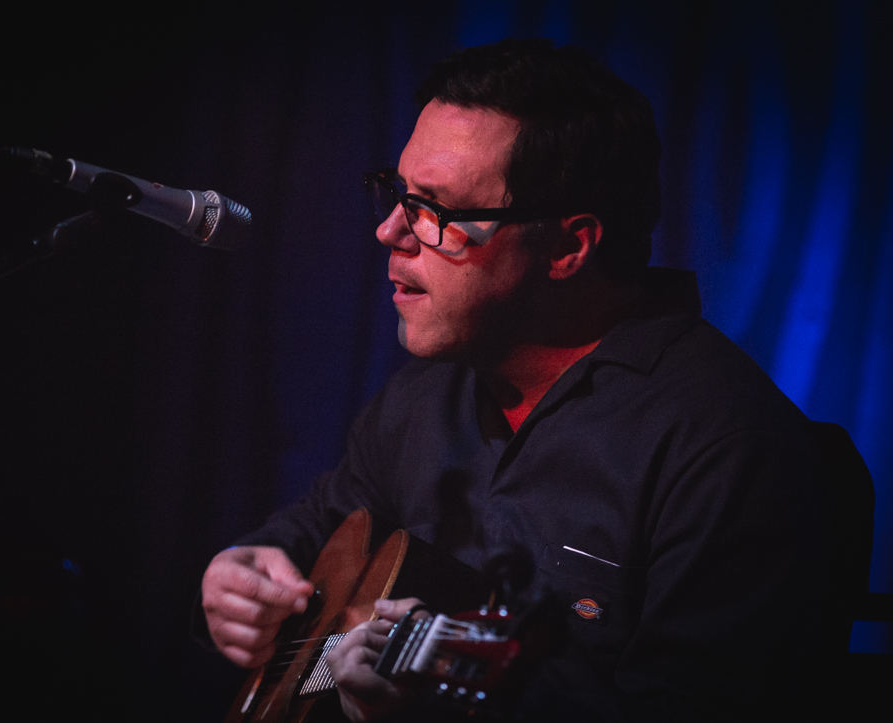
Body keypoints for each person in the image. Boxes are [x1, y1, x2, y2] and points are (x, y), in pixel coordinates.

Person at [201, 39, 830, 720]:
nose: (389, 231)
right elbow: (324, 522)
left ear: (566, 247)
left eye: (436, 210)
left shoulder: (727, 448)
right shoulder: (426, 395)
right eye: (398, 193)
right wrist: (248, 566)